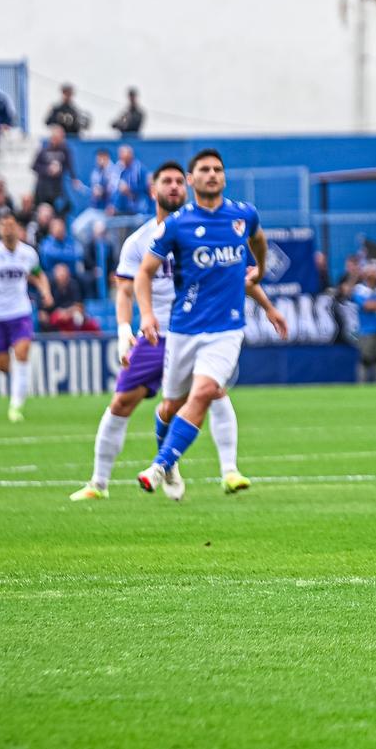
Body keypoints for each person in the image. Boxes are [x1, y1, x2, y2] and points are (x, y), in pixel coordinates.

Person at [71, 162, 282, 501]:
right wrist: (126, 329)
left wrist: (268, 307)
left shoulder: (208, 228)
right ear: (152, 190)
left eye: (177, 182)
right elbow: (125, 289)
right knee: (125, 402)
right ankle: (99, 483)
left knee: (212, 391)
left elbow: (237, 275)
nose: (173, 187)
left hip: (204, 328)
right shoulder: (138, 241)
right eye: (165, 181)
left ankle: (227, 470)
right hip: (158, 335)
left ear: (187, 187)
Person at [134, 149, 284, 497]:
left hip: (227, 330)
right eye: (204, 169)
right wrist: (147, 314)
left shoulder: (243, 215)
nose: (212, 174)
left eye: (218, 169)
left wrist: (260, 270)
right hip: (184, 329)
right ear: (192, 179)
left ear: (224, 177)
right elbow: (144, 273)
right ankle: (170, 462)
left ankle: (159, 466)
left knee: (204, 393)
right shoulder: (177, 224)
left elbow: (259, 241)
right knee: (171, 406)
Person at [0, 211, 54, 423]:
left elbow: (37, 273)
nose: (8, 229)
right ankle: (19, 383)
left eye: (11, 225)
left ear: (17, 228)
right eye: (4, 225)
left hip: (20, 312)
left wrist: (45, 290)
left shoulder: (28, 253)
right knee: (3, 365)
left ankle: (16, 406)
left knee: (22, 353)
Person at [31, 126, 81, 216]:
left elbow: (69, 165)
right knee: (44, 210)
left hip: (57, 187)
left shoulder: (65, 150)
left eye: (59, 138)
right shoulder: (44, 150)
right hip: (44, 187)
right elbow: (34, 166)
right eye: (54, 137)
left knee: (65, 207)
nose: (56, 140)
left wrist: (74, 179)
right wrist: (47, 169)